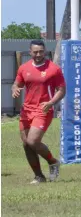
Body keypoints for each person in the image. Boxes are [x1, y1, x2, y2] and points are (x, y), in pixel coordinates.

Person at [12, 40, 64, 184]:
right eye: (35, 52)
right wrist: (14, 88)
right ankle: (39, 176)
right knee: (26, 144)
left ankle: (53, 162)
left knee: (33, 141)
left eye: (41, 51)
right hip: (26, 111)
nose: (38, 54)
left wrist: (51, 102)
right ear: (30, 52)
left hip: (43, 109)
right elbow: (17, 83)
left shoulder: (54, 69)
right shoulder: (24, 68)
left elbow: (62, 90)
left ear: (45, 51)